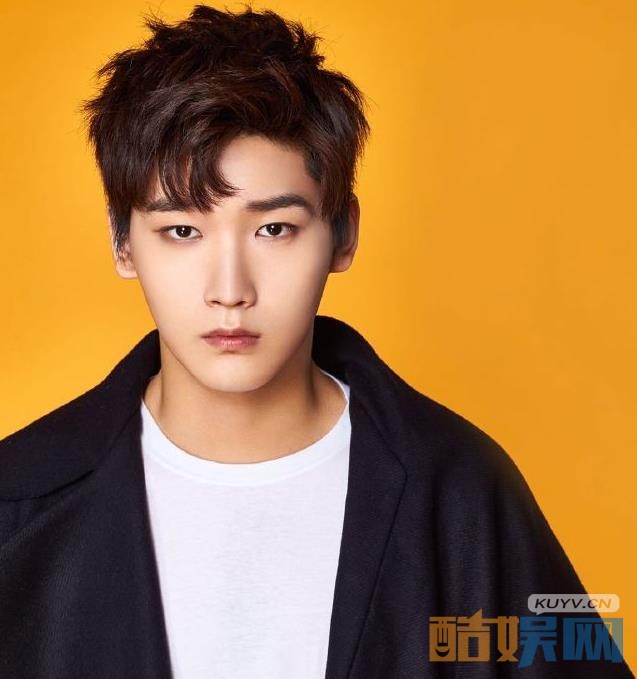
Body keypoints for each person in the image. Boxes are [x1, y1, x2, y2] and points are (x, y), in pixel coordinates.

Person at [0, 4, 632, 678]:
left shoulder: (461, 488)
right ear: (123, 243)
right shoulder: (19, 501)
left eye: (273, 229)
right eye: (182, 231)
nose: (229, 289)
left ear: (343, 233)